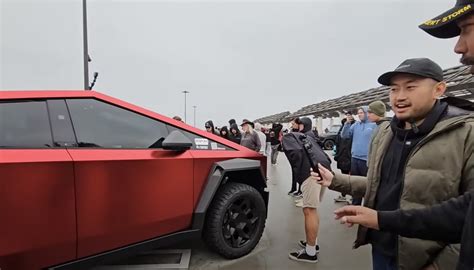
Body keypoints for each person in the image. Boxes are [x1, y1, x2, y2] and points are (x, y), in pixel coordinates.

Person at [312, 57, 474, 270]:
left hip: (430, 261)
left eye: (410, 87)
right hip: (382, 249)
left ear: (439, 89)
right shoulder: (385, 132)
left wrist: (440, 265)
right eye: (394, 89)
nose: (399, 97)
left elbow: (469, 215)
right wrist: (336, 181)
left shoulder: (466, 133)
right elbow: (382, 184)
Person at [333, 190, 474, 270]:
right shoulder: (384, 137)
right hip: (381, 247)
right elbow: (449, 216)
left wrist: (439, 266)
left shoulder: (463, 139)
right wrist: (379, 219)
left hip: (417, 259)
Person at [284, 117, 331, 263]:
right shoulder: (311, 135)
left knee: (309, 210)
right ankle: (313, 244)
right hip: (324, 168)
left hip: (311, 172)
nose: (292, 126)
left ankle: (310, 253)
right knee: (313, 209)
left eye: (294, 124)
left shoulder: (290, 137)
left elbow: (296, 153)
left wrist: (299, 172)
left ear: (301, 125)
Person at [341, 106, 376, 205]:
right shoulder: (355, 125)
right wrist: (347, 123)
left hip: (367, 160)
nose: (359, 114)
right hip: (355, 159)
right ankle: (355, 206)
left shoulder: (374, 125)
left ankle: (368, 207)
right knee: (355, 184)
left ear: (366, 113)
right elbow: (344, 136)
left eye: (361, 112)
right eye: (358, 113)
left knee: (367, 185)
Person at [333, 113, 354, 203]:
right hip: (342, 157)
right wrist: (337, 155)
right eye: (346, 115)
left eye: (349, 115)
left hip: (350, 157)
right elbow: (338, 143)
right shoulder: (342, 127)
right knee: (344, 178)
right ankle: (344, 195)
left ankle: (352, 196)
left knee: (352, 178)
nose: (347, 117)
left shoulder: (354, 128)